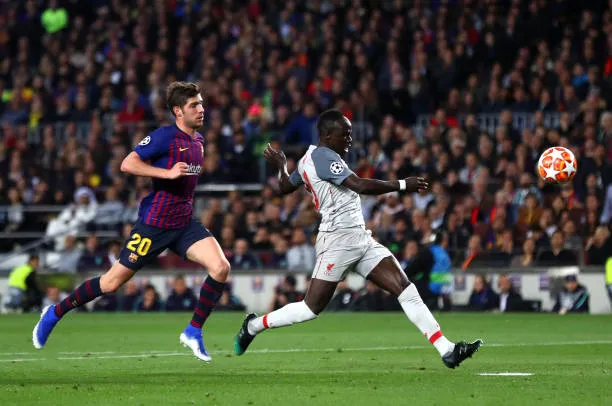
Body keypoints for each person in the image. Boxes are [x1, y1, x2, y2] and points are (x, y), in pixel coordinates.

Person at [234, 109, 481, 369]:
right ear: (328, 135)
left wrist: (282, 165)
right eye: (345, 134)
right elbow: (360, 185)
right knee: (309, 309)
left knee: (404, 287)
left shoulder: (309, 159)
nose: (350, 139)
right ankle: (253, 326)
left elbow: (285, 186)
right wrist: (401, 185)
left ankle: (447, 349)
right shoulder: (324, 157)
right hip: (337, 241)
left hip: (360, 238)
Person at [32, 82, 231, 362]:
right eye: (194, 105)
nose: (201, 109)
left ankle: (193, 331)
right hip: (154, 225)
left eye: (201, 103)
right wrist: (166, 173)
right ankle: (54, 313)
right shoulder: (164, 136)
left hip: (184, 223)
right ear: (178, 111)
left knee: (221, 267)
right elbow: (127, 163)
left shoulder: (198, 141)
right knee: (111, 283)